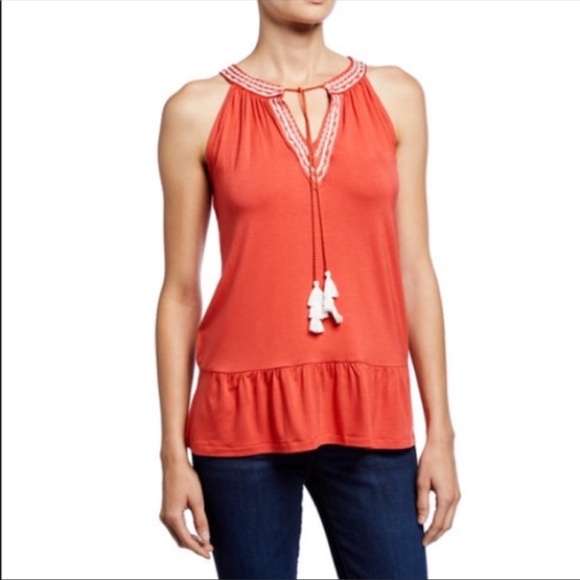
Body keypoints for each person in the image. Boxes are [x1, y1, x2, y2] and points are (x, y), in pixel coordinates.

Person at [155, 1, 460, 578]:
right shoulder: (195, 110)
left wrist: (440, 432)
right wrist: (173, 452)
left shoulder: (396, 96)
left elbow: (415, 271)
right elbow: (180, 292)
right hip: (240, 423)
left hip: (370, 412)